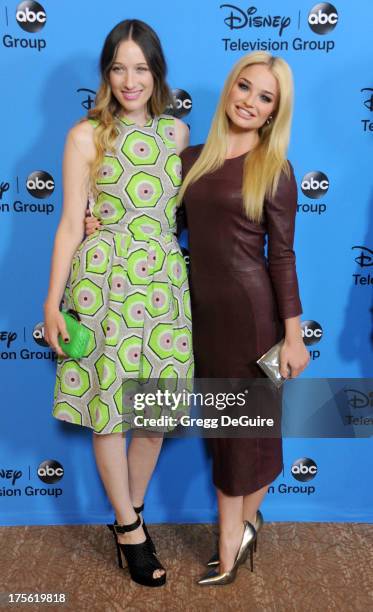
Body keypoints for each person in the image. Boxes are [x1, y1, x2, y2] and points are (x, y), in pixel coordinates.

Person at [44, 19, 193, 588]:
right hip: (104, 283)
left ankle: (127, 517)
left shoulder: (176, 135)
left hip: (162, 285)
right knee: (109, 412)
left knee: (152, 418)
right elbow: (67, 226)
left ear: (156, 72)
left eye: (140, 67)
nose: (130, 80)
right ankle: (131, 529)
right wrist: (51, 303)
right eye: (118, 67)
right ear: (106, 73)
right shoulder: (86, 136)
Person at [178, 51, 310, 585]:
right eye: (245, 87)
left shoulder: (273, 169)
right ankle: (246, 523)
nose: (250, 102)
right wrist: (101, 222)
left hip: (253, 317)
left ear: (276, 111)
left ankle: (230, 540)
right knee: (222, 431)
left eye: (265, 97)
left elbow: (282, 255)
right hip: (203, 316)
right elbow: (163, 228)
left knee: (245, 434)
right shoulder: (192, 159)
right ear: (230, 87)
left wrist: (294, 335)